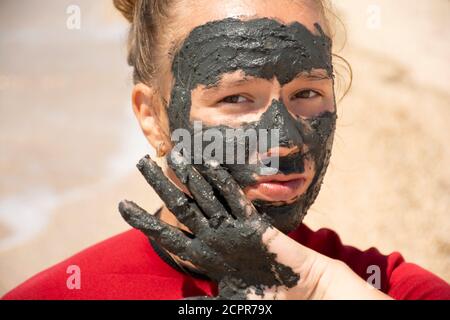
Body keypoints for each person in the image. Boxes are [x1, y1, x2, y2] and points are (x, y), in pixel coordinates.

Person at [3, 0, 450, 300]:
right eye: (235, 98)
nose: (287, 141)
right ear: (151, 117)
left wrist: (314, 285)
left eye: (308, 93)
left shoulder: (388, 287)